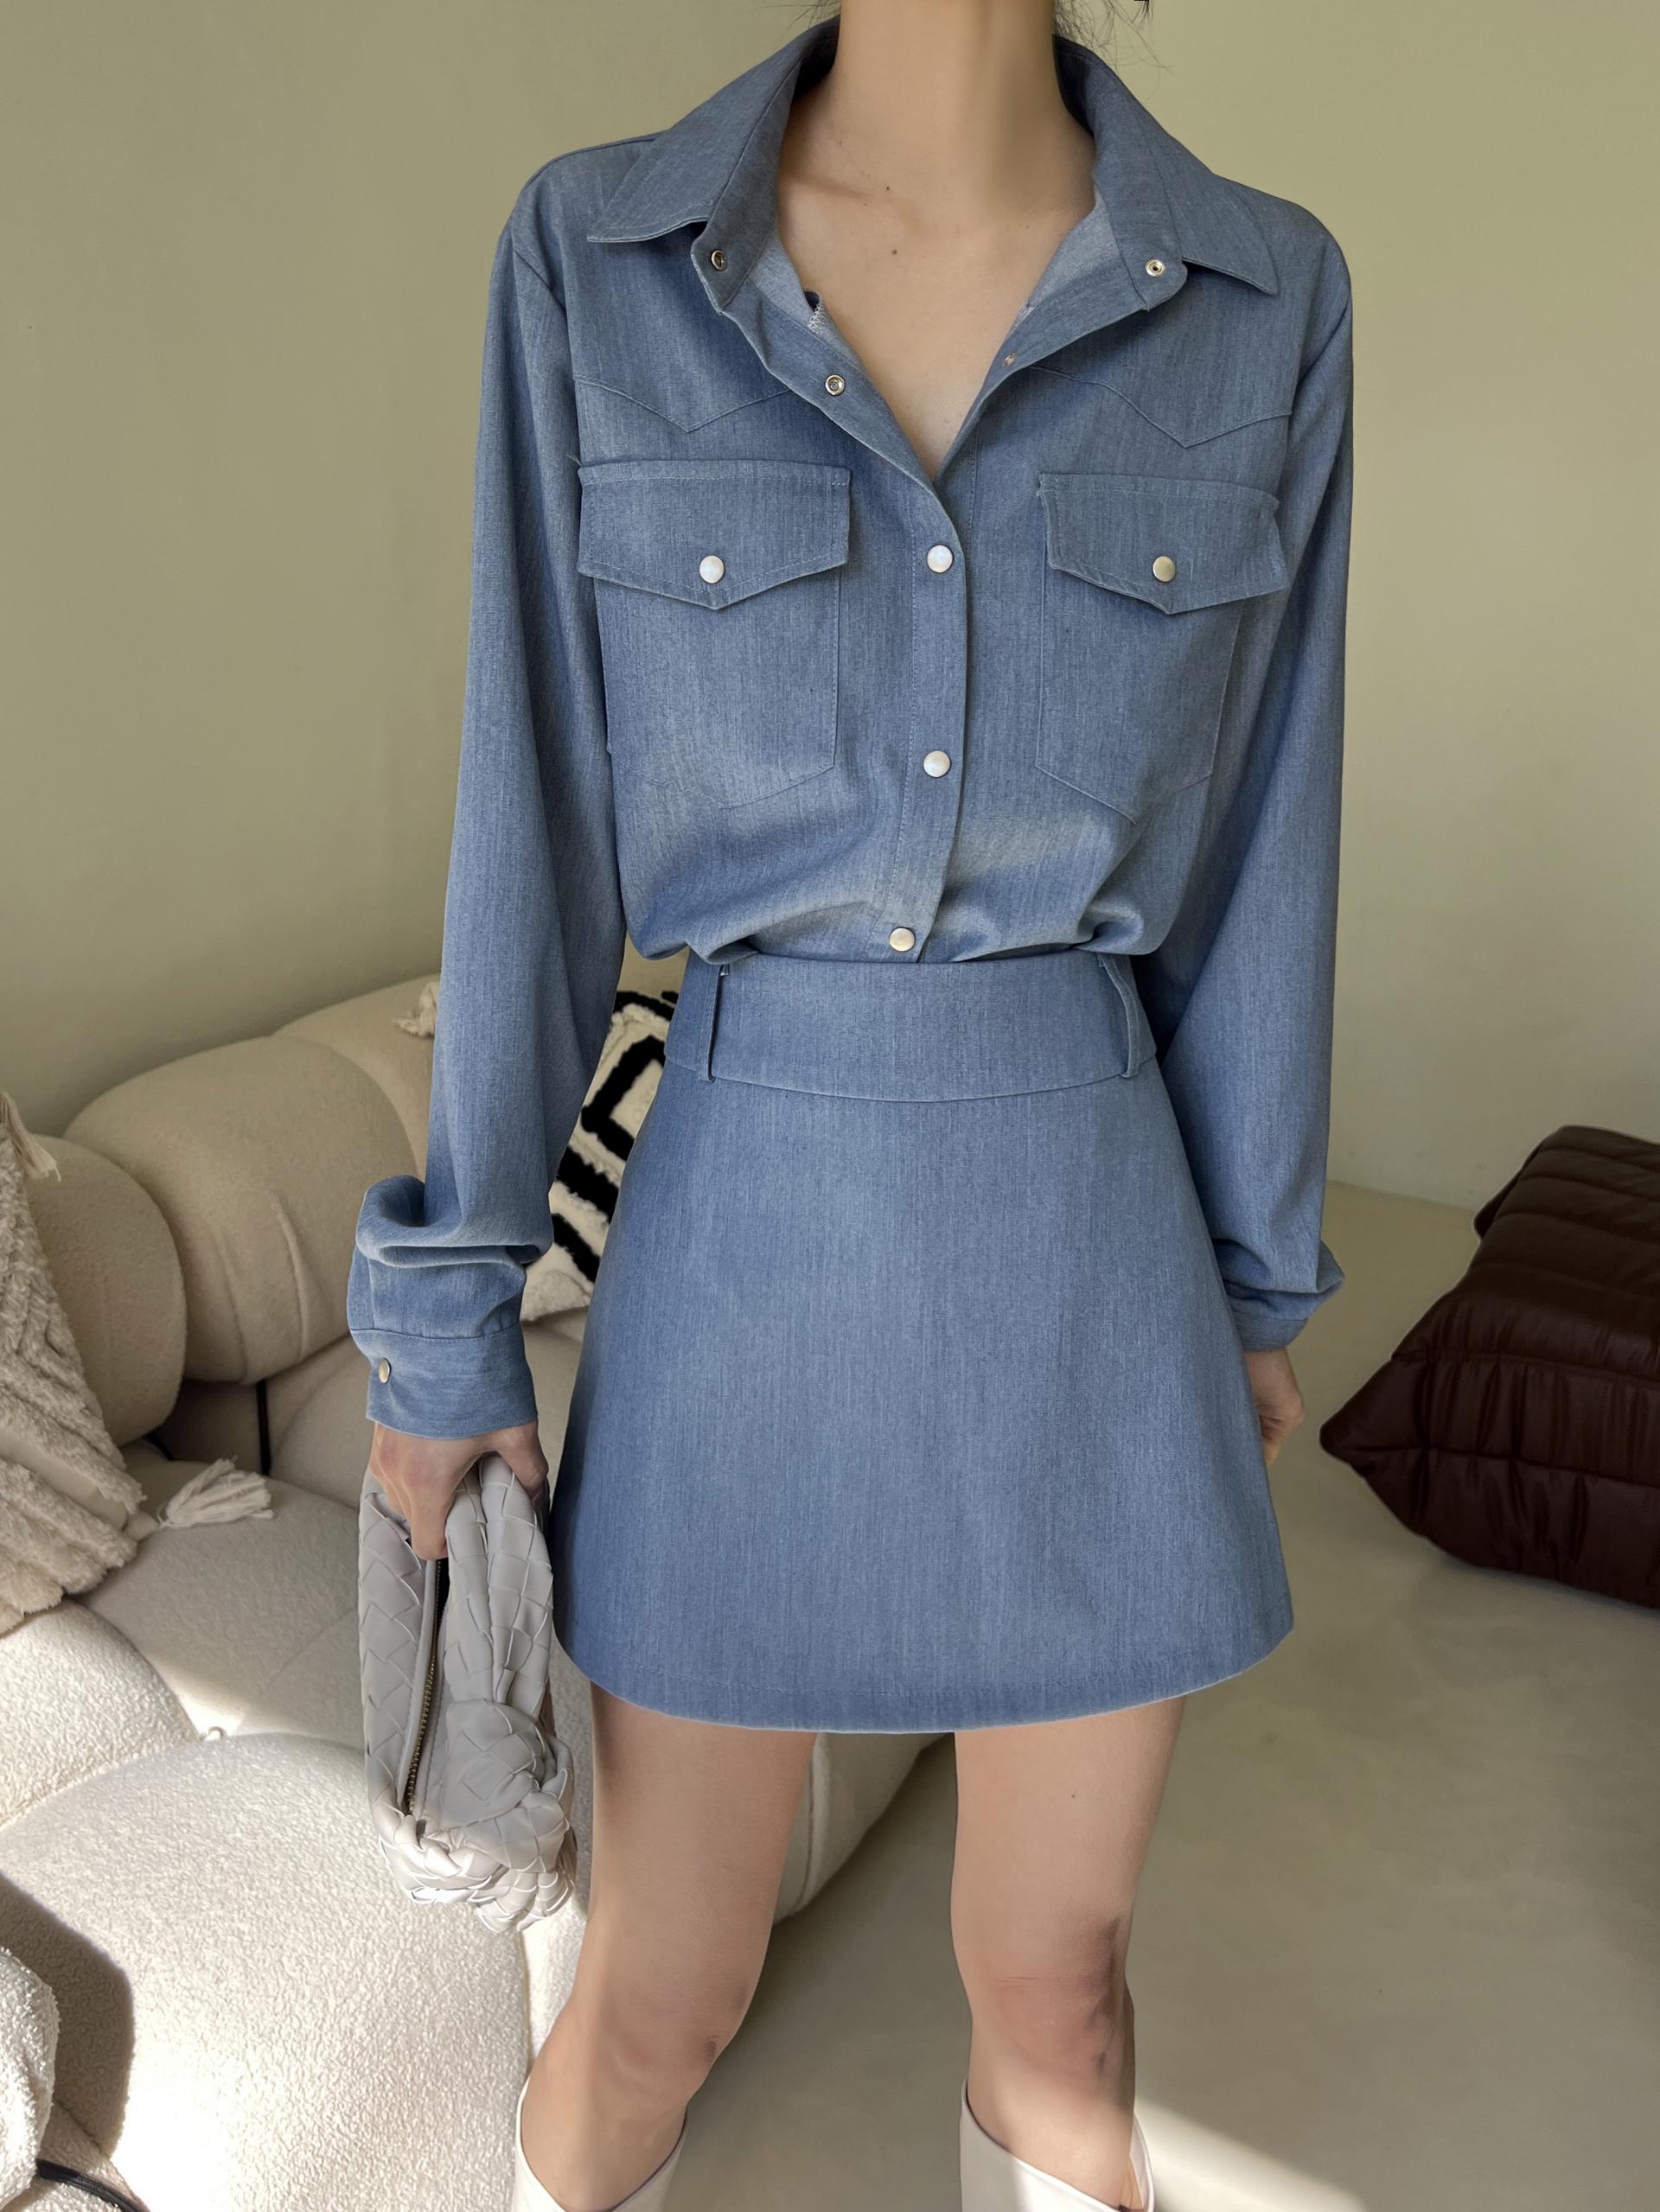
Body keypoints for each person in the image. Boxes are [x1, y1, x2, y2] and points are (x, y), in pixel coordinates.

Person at [348, 2, 1354, 2207]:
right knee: (656, 1994)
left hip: (1089, 1253)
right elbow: (532, 825)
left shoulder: (1266, 293)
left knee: (1062, 1995)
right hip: (744, 1254)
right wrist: (446, 1311)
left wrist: (1252, 1279)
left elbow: (1269, 848)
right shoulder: (598, 259)